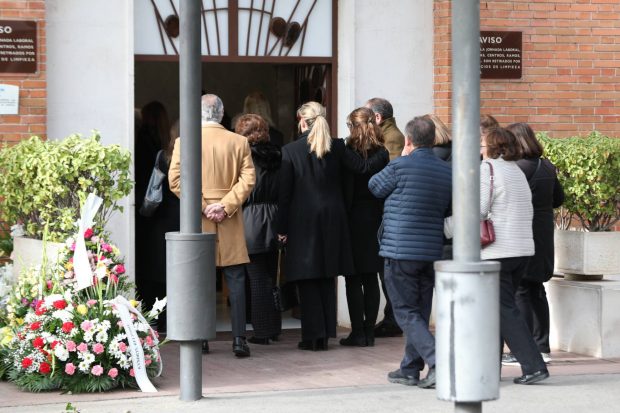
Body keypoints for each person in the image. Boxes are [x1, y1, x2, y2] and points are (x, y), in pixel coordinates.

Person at [276, 101, 388, 351]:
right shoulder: (337, 146)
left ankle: (313, 336)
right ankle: (326, 332)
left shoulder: (290, 151)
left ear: (302, 121)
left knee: (307, 277)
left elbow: (284, 195)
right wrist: (382, 151)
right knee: (328, 275)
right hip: (335, 217)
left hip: (302, 219)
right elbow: (361, 167)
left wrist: (281, 228)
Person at [445, 127, 550, 385]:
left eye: (482, 143)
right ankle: (490, 366)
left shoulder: (487, 170)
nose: (479, 147)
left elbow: (477, 211)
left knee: (503, 309)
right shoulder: (516, 171)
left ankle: (534, 365)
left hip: (498, 252)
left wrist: (446, 226)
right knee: (498, 309)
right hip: (522, 250)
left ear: (491, 147)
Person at [168, 94, 256, 358]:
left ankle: (201, 337)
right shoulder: (239, 141)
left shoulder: (184, 141)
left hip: (199, 219)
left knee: (201, 280)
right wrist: (226, 204)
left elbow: (175, 180)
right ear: (221, 113)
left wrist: (203, 205)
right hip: (229, 218)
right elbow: (248, 179)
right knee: (236, 280)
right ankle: (239, 338)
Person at [369, 116, 452, 389]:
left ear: (408, 140)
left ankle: (439, 362)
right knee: (419, 309)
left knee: (404, 311)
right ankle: (410, 368)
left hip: (400, 249)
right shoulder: (446, 171)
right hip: (430, 251)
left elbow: (374, 187)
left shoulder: (400, 165)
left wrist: (402, 157)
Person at [504, 122, 564, 365]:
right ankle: (542, 346)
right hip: (543, 234)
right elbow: (559, 199)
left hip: (522, 233)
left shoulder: (517, 168)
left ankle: (525, 348)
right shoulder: (546, 165)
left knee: (520, 290)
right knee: (537, 290)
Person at [340, 107, 389, 347]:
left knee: (353, 278)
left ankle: (358, 331)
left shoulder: (346, 151)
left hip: (351, 218)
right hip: (374, 218)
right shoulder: (382, 153)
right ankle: (368, 331)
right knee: (370, 277)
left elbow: (360, 167)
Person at [235, 114, 283, 345]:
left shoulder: (244, 157)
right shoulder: (277, 154)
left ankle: (262, 332)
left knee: (256, 278)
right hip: (274, 218)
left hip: (251, 219)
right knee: (272, 276)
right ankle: (274, 328)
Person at [134, 101, 179, 332]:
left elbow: (151, 185)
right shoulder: (162, 149)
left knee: (155, 268)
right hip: (183, 218)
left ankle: (155, 316)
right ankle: (173, 317)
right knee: (177, 270)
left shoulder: (163, 155)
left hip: (158, 215)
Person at [364, 97, 406, 338]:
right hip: (383, 212)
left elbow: (388, 175)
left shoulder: (391, 139)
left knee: (386, 270)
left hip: (384, 213)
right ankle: (391, 318)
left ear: (377, 118)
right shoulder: (389, 136)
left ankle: (393, 319)